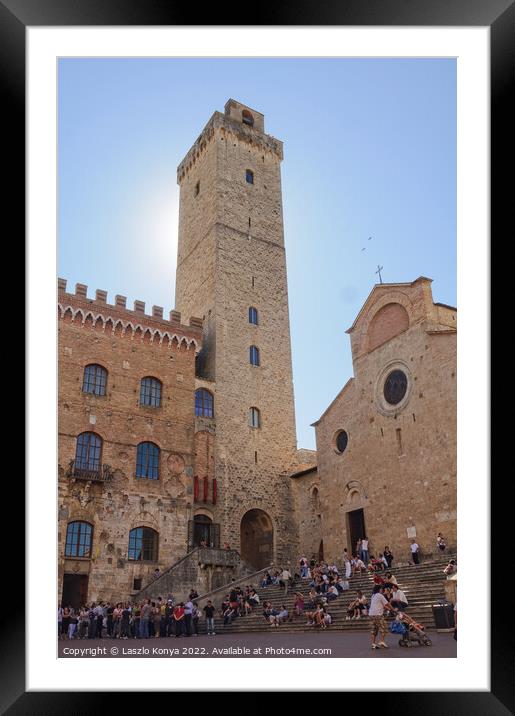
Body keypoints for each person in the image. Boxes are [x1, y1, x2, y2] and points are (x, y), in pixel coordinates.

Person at [369, 585, 395, 649]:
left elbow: (382, 605)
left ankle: (373, 644)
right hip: (378, 615)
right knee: (384, 627)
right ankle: (382, 641)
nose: (382, 590)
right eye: (381, 589)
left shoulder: (373, 596)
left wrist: (389, 609)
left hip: (371, 615)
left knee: (374, 629)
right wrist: (393, 609)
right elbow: (387, 603)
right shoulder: (380, 595)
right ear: (379, 589)